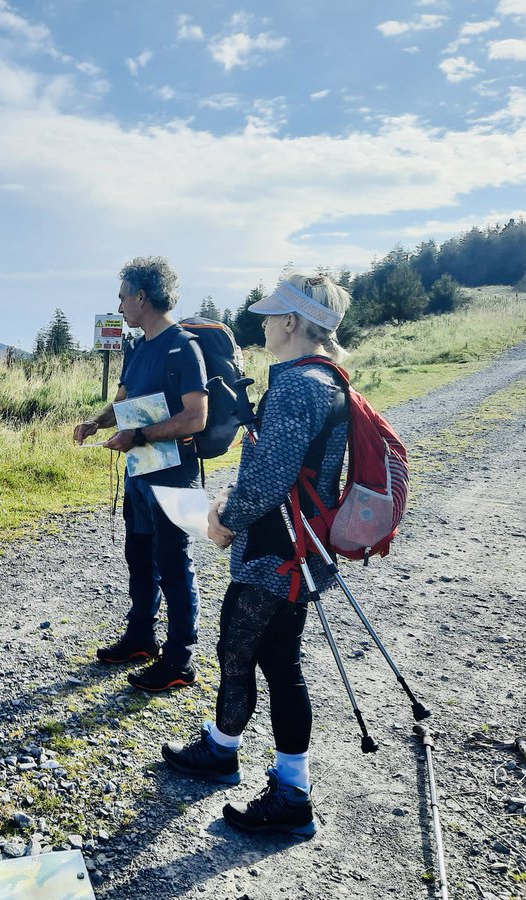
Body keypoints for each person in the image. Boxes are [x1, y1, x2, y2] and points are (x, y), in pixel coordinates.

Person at [162, 273, 352, 838]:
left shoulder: (298, 386)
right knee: (274, 659)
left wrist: (224, 517)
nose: (264, 323)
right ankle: (246, 758)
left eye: (272, 316)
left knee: (243, 650)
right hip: (297, 545)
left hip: (276, 549)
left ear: (291, 323)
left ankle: (276, 785)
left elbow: (270, 477)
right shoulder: (325, 379)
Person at [74, 257, 209, 692]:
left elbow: (196, 418)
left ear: (142, 297)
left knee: (174, 563)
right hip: (141, 474)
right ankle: (140, 638)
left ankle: (180, 660)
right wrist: (97, 423)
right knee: (140, 557)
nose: (118, 305)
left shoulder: (183, 347)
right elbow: (124, 402)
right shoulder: (140, 349)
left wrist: (141, 435)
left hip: (176, 475)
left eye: (122, 296)